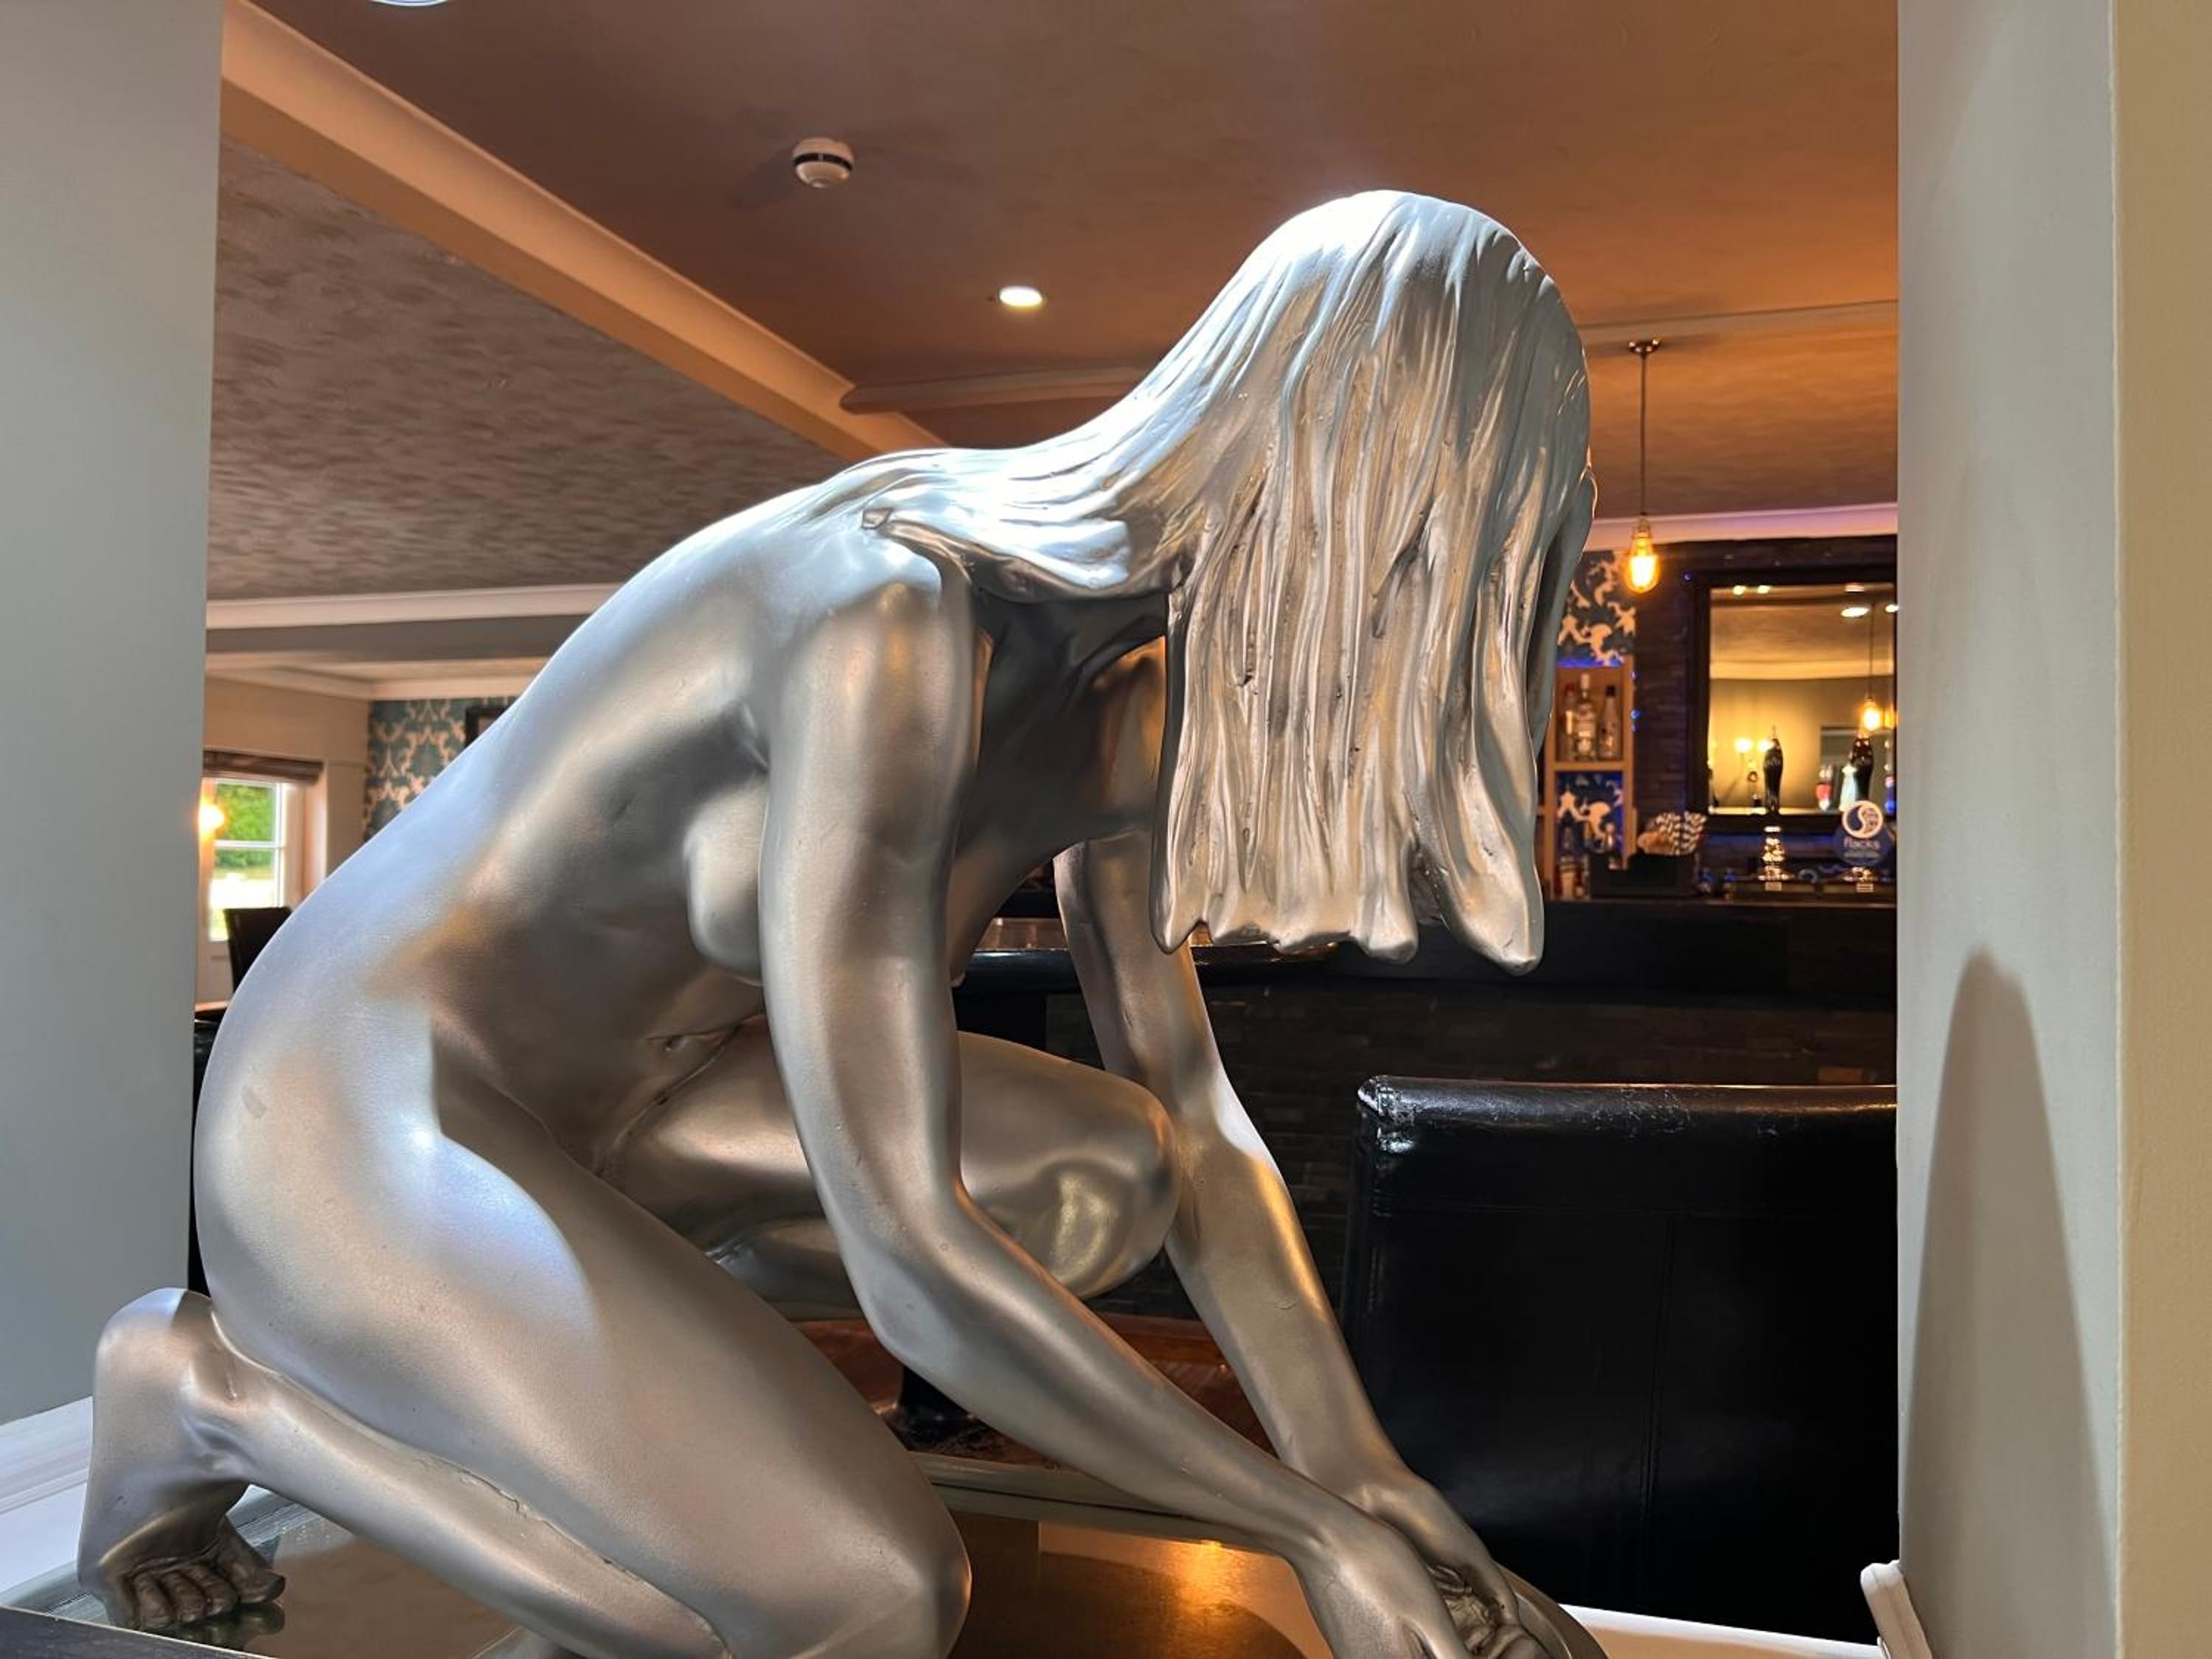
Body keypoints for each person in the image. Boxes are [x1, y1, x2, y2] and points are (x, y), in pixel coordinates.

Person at [80, 191, 1593, 1659]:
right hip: (363, 1105)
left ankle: (637, 1385)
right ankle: (212, 1396)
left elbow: (1193, 1113)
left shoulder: (1143, 704)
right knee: (862, 1601)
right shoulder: (888, 617)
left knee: (1118, 1177)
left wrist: (1356, 1467)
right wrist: (1303, 1531)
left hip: (641, 1116)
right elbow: (907, 1245)